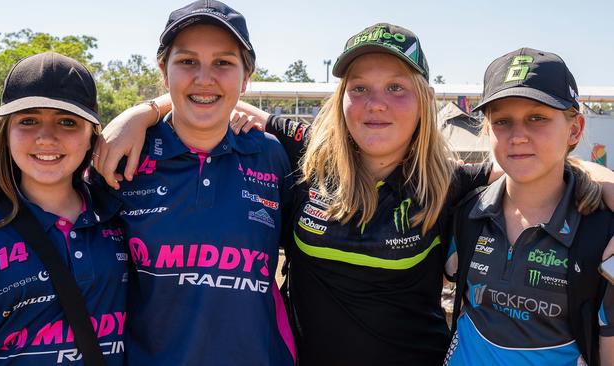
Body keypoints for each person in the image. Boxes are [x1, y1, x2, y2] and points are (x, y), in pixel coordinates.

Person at [94, 24, 614, 366]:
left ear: (424, 100)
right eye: (359, 88)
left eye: (396, 88)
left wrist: (601, 179)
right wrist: (144, 111)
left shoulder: (453, 185)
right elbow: (215, 100)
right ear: (341, 99)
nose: (376, 104)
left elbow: (538, 163)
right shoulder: (300, 160)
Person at [90, 1, 296, 365]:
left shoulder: (273, 157)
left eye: (223, 63)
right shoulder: (125, 157)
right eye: (187, 61)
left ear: (246, 77)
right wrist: (142, 113)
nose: (204, 78)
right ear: (163, 71)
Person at [444, 48, 614, 366]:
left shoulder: (602, 231)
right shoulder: (466, 212)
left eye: (537, 118)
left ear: (575, 129)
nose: (518, 136)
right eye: (503, 121)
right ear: (487, 130)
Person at [0, 52, 127, 365]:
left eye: (67, 122)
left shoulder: (121, 217)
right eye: (28, 120)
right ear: (6, 133)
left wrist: (146, 112)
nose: (46, 137)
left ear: (92, 135)